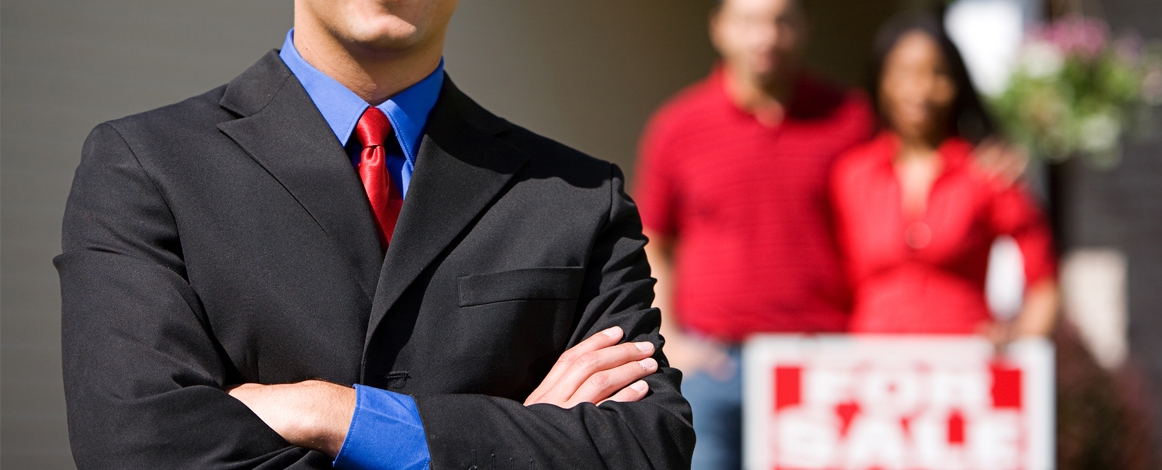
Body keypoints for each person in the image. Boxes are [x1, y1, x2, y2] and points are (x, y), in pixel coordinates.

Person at [55, 0, 694, 468]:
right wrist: (505, 441)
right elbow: (137, 448)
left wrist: (335, 414)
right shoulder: (144, 165)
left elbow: (647, 445)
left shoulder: (578, 195)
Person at [632, 0, 876, 468]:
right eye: (749, 21)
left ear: (805, 27)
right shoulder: (677, 127)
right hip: (713, 367)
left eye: (782, 21)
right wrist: (674, 341)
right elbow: (651, 243)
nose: (766, 37)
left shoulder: (851, 120)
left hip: (821, 364)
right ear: (719, 28)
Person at [829, 13, 1059, 339]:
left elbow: (1043, 277)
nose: (920, 89)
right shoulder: (851, 176)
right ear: (881, 80)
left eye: (937, 75)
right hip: (875, 366)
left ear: (956, 84)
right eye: (905, 74)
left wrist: (1023, 338)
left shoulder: (985, 172)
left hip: (962, 368)